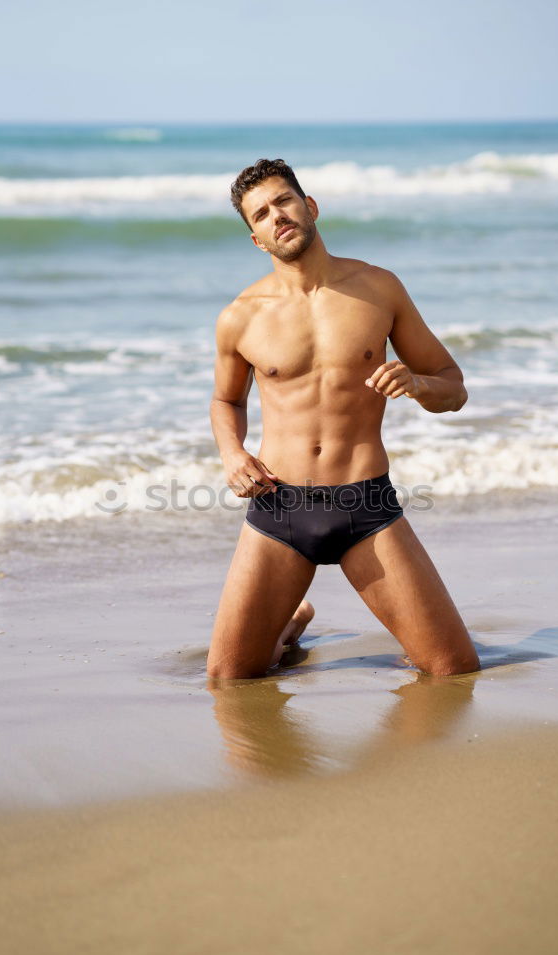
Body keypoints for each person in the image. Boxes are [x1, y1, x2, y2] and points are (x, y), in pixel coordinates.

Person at [207, 158, 479, 681]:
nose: (276, 216)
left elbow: (453, 385)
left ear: (309, 207)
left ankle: (285, 624)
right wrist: (232, 453)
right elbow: (226, 401)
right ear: (257, 240)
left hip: (366, 506)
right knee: (227, 681)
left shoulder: (378, 289)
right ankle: (288, 625)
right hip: (279, 507)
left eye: (283, 201)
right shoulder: (240, 317)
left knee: (453, 670)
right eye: (260, 214)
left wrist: (419, 385)